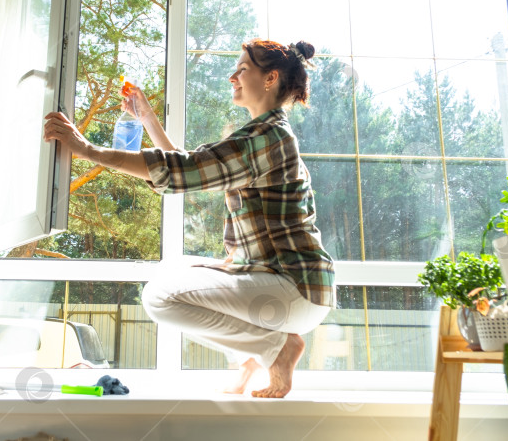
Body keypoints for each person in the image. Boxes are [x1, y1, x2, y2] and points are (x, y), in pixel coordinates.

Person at [43, 39, 335, 398]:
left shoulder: (267, 137)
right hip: (287, 287)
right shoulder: (264, 135)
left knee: (159, 298)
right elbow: (188, 168)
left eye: (242, 68)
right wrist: (147, 117)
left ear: (270, 77)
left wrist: (88, 150)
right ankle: (253, 358)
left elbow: (184, 170)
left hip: (294, 290)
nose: (233, 76)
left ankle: (276, 349)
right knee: (172, 270)